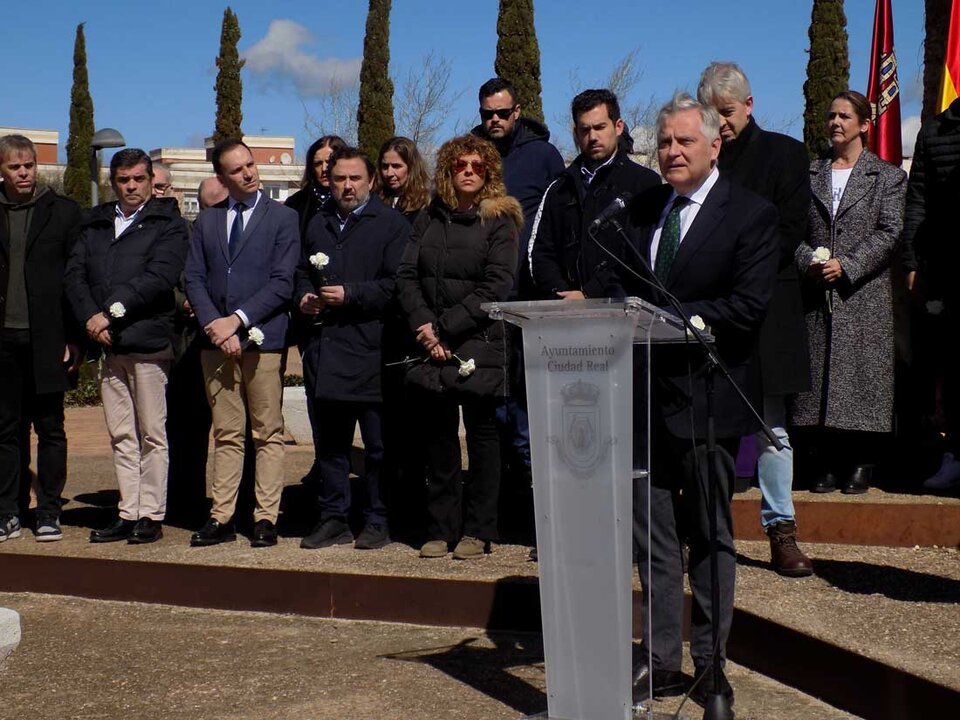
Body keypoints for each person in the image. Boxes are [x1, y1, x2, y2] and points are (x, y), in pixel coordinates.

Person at [624, 93, 779, 707]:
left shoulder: (750, 214)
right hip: (642, 401)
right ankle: (661, 659)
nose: (672, 152)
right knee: (654, 539)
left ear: (716, 144)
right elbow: (619, 289)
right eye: (664, 142)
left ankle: (711, 662)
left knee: (710, 537)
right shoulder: (640, 212)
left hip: (709, 398)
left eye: (685, 141)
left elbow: (746, 308)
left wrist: (673, 318)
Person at [697, 62, 813, 577]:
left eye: (726, 112)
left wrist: (742, 267)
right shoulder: (703, 161)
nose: (719, 123)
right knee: (711, 428)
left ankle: (780, 529)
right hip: (716, 310)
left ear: (748, 105)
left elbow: (791, 229)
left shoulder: (785, 154)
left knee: (771, 427)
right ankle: (705, 532)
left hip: (767, 306)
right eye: (711, 113)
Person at [396, 134, 522, 559]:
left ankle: (479, 530)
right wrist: (424, 327)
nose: (468, 171)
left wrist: (445, 329)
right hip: (431, 344)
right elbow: (407, 276)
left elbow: (498, 284)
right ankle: (441, 528)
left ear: (489, 172)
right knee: (439, 441)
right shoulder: (430, 217)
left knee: (485, 440)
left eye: (478, 166)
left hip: (479, 342)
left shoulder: (500, 221)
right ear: (448, 170)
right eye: (460, 165)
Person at [65, 148, 188, 544]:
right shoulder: (97, 223)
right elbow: (75, 274)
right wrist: (90, 319)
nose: (131, 186)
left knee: (152, 432)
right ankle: (127, 510)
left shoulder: (168, 223)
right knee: (121, 434)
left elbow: (159, 277)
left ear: (151, 180)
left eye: (138, 178)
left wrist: (110, 314)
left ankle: (150, 514)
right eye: (123, 180)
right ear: (112, 181)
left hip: (147, 342)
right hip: (107, 345)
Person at [184, 139, 300, 547]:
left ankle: (265, 518)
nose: (249, 173)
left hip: (263, 341)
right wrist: (215, 324)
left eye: (250, 164)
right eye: (237, 169)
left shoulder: (282, 219)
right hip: (215, 343)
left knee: (267, 432)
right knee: (227, 433)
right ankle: (222, 517)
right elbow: (194, 279)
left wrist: (237, 321)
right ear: (222, 177)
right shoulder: (208, 221)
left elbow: (283, 282)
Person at [791, 90, 907, 494]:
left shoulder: (888, 177)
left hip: (862, 293)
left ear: (864, 124)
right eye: (831, 115)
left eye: (844, 116)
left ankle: (861, 461)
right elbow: (792, 231)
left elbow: (890, 231)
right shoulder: (809, 174)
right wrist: (809, 261)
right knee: (820, 381)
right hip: (817, 294)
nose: (835, 122)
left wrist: (850, 265)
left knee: (860, 381)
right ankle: (824, 463)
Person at [294, 147, 408, 550]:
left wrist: (351, 295)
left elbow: (397, 285)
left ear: (371, 181)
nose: (346, 185)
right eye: (339, 178)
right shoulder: (319, 223)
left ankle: (377, 518)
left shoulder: (391, 225)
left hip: (373, 351)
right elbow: (301, 271)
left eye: (355, 178)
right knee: (330, 446)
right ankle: (333, 517)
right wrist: (306, 296)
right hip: (327, 352)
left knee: (377, 448)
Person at [0, 134, 82, 543]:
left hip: (49, 339)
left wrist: (74, 337)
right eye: (15, 167)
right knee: (6, 430)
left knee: (51, 428)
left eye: (29, 165)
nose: (24, 174)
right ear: (2, 169)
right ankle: (9, 511)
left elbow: (75, 280)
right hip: (4, 341)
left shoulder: (63, 213)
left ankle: (49, 509)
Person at [530, 88, 660, 301]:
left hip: (621, 309)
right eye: (585, 130)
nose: (592, 137)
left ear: (618, 127)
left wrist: (590, 293)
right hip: (565, 314)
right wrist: (561, 294)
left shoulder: (644, 184)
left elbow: (639, 254)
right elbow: (542, 253)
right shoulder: (559, 189)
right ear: (576, 134)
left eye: (600, 127)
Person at [903, 97, 960, 490]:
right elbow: (918, 198)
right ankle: (954, 453)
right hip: (948, 269)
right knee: (953, 366)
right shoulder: (937, 131)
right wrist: (910, 261)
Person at [286, 135, 348, 239]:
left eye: (329, 162)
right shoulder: (296, 204)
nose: (324, 169)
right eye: (318, 163)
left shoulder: (353, 199)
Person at [376, 136, 431, 221]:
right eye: (385, 166)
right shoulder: (375, 201)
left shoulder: (426, 205)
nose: (389, 173)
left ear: (411, 167)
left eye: (396, 166)